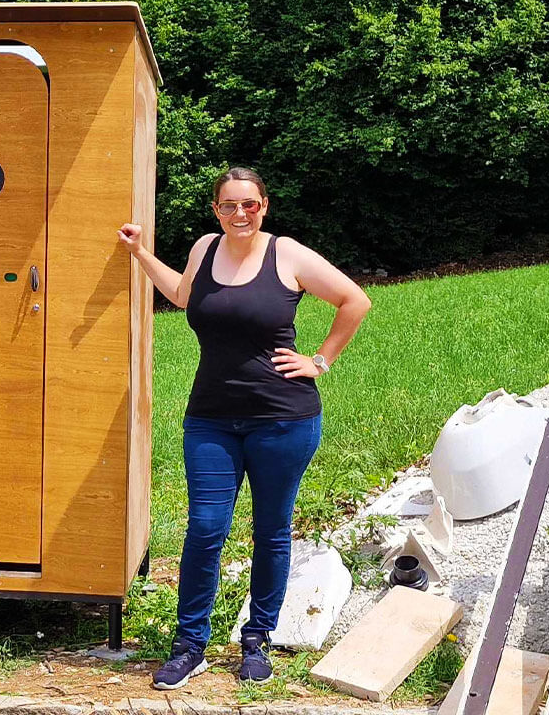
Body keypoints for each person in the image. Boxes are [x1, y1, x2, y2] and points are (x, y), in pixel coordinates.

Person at [116, 166, 372, 689]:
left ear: (264, 206)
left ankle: (258, 640)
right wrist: (140, 254)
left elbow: (355, 300)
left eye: (249, 205)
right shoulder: (205, 249)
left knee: (271, 532)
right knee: (205, 529)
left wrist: (319, 361)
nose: (240, 214)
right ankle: (190, 645)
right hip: (210, 417)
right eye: (229, 205)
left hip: (283, 419)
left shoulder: (288, 255)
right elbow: (185, 297)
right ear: (216, 210)